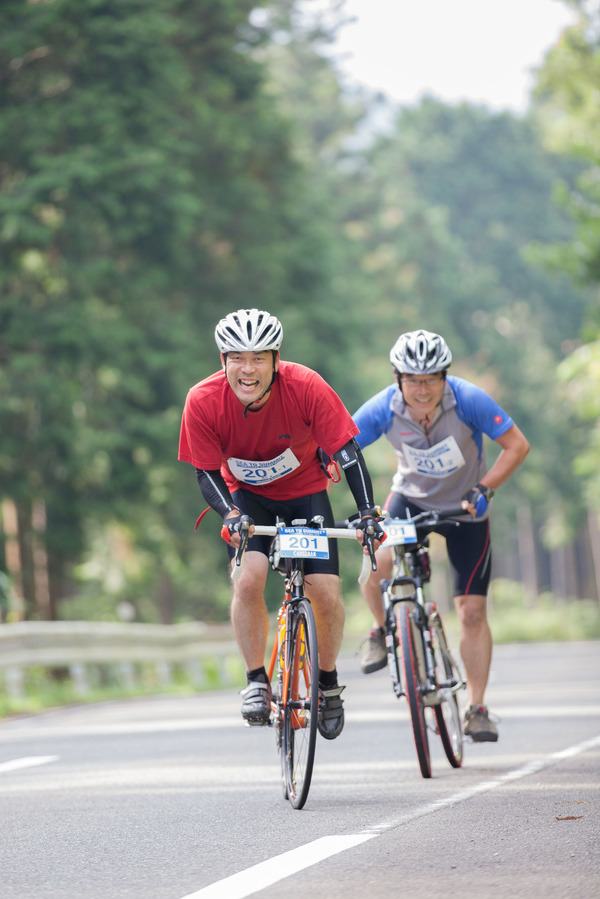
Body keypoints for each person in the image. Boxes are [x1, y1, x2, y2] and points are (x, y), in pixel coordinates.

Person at [179, 308, 384, 739]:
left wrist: (366, 512)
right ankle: (256, 681)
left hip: (305, 492)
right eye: (237, 357)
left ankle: (327, 685)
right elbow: (205, 472)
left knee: (325, 592)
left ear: (276, 359)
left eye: (258, 358)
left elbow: (347, 454)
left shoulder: (307, 386)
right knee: (248, 578)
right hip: (247, 499)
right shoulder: (202, 399)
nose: (247, 369)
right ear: (223, 361)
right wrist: (231, 516)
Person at [353, 329, 529, 742]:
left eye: (431, 378)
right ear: (398, 379)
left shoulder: (468, 400)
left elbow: (516, 446)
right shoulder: (384, 407)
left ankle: (478, 708)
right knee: (376, 562)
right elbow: (338, 450)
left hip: (465, 508)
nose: (422, 389)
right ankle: (381, 629)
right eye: (413, 380)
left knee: (471, 610)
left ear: (445, 377)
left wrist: (485, 488)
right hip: (410, 499)